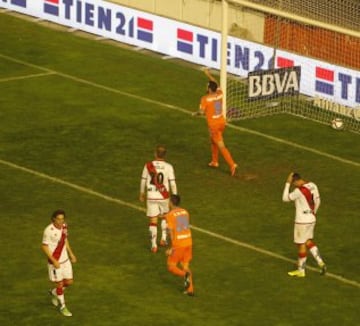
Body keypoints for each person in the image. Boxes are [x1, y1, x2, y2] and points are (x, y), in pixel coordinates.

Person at [193, 68, 238, 176]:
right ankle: (214, 161)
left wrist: (195, 113)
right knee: (213, 140)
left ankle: (232, 164)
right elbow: (216, 83)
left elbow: (202, 112)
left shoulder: (205, 99)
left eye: (207, 86)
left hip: (214, 125)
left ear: (209, 89)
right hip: (222, 122)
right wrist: (208, 74)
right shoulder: (220, 93)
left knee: (221, 145)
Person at [282, 172, 327, 277]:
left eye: (293, 183)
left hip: (301, 221)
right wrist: (314, 213)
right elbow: (318, 201)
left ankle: (301, 271)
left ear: (295, 181)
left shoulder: (298, 191)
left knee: (301, 244)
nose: (294, 186)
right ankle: (320, 262)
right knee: (308, 241)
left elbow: (285, 198)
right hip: (311, 219)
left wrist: (287, 183)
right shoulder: (313, 185)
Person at [140, 145, 177, 253]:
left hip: (151, 196)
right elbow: (173, 183)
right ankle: (163, 239)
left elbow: (143, 180)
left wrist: (142, 192)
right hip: (163, 196)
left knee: (153, 220)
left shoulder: (148, 166)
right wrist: (175, 196)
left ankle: (153, 245)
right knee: (165, 217)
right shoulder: (169, 167)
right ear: (165, 155)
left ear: (155, 154)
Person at [41, 209, 77, 317]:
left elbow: (65, 240)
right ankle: (63, 306)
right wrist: (54, 260)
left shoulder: (64, 226)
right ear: (53, 219)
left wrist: (71, 254)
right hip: (55, 262)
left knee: (69, 282)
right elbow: (44, 246)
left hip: (65, 260)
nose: (61, 221)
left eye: (62, 219)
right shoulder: (48, 230)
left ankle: (54, 292)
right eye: (58, 219)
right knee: (60, 284)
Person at [165, 194, 194, 296]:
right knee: (185, 265)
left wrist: (171, 248)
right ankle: (190, 289)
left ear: (172, 203)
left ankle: (184, 275)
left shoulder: (170, 215)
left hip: (179, 244)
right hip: (188, 242)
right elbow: (182, 226)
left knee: (171, 266)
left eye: (169, 201)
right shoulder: (185, 212)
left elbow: (170, 231)